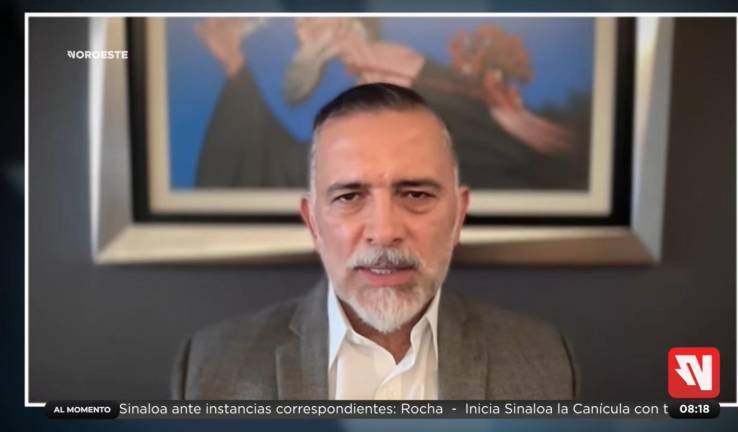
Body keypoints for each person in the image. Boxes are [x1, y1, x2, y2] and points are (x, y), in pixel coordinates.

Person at [171, 83, 579, 400]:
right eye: (350, 197)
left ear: (458, 216)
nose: (384, 232)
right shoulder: (210, 367)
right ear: (313, 223)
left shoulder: (545, 361)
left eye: (415, 194)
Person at [193, 17, 585, 190]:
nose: (299, 26)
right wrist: (236, 67)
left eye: (311, 17)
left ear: (342, 22)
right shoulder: (365, 78)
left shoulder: (393, 62)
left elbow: (469, 131)